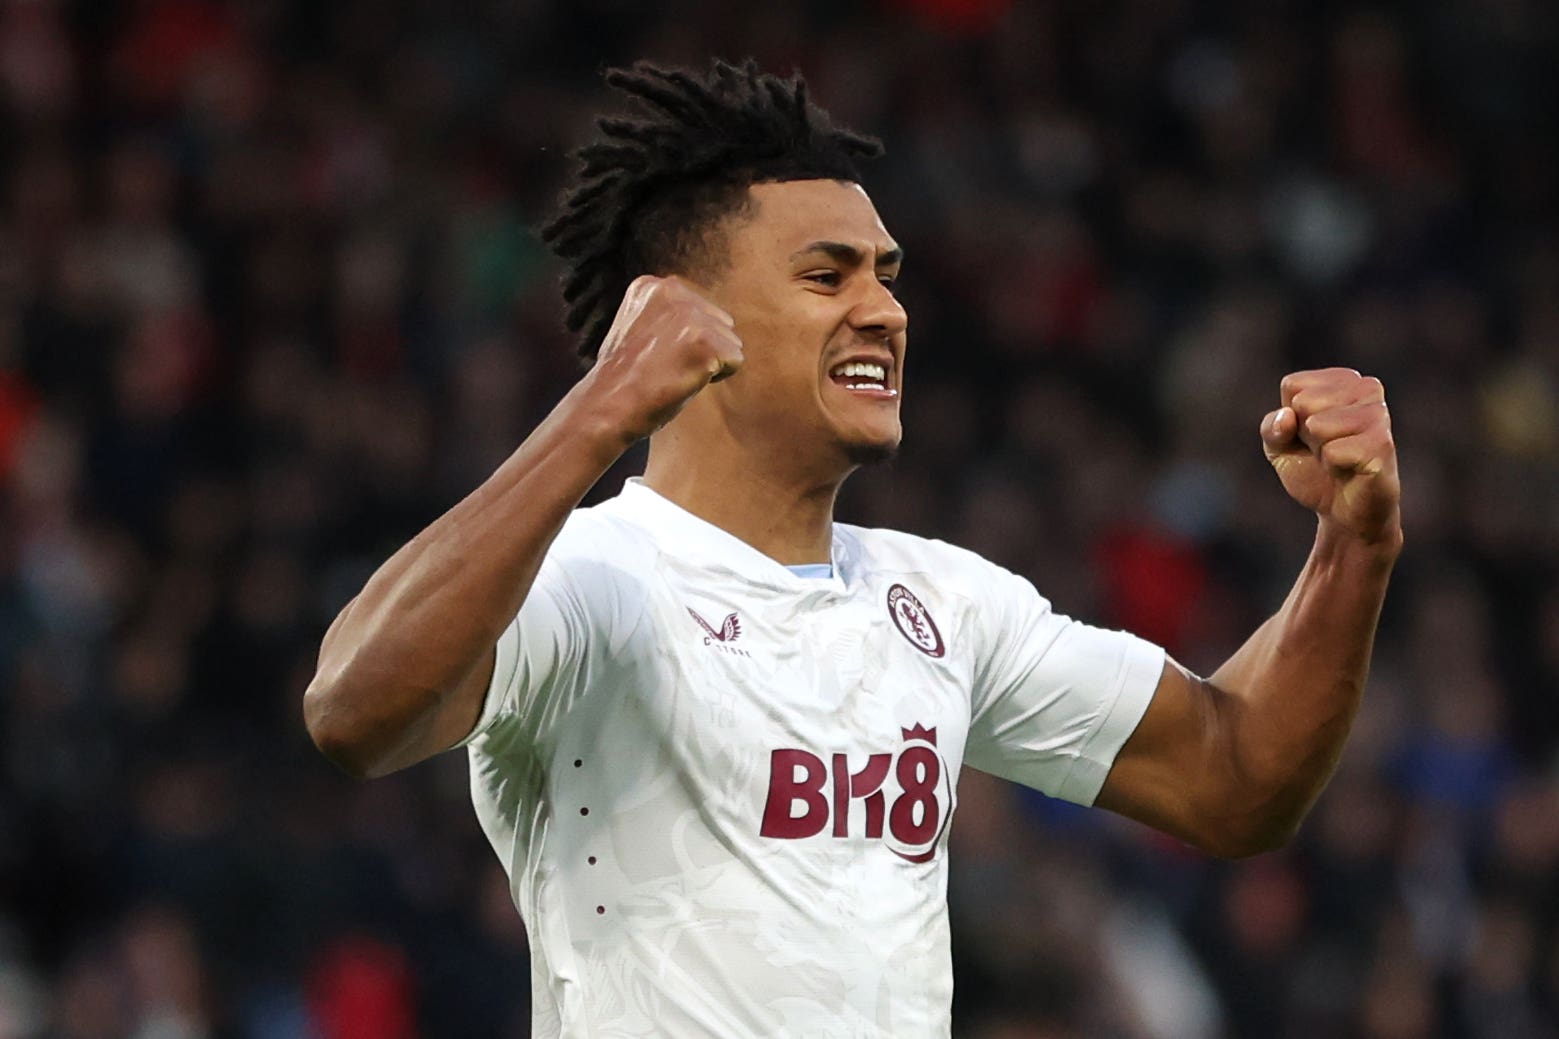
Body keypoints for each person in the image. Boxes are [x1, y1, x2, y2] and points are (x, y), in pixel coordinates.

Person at [303, 60, 1402, 1037]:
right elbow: (353, 708)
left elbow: (1233, 777)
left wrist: (1350, 546)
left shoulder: (940, 601)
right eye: (827, 276)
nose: (884, 310)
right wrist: (595, 414)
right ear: (680, 318)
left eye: (885, 274)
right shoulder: (594, 582)